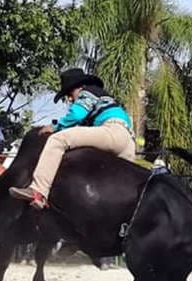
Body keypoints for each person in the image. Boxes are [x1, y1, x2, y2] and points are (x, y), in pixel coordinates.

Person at [9, 68, 135, 209]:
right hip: (128, 142)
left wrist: (55, 127)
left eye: (70, 93)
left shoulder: (88, 92)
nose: (70, 99)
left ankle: (38, 191)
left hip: (111, 131)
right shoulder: (104, 98)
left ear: (79, 87)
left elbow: (76, 115)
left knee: (57, 140)